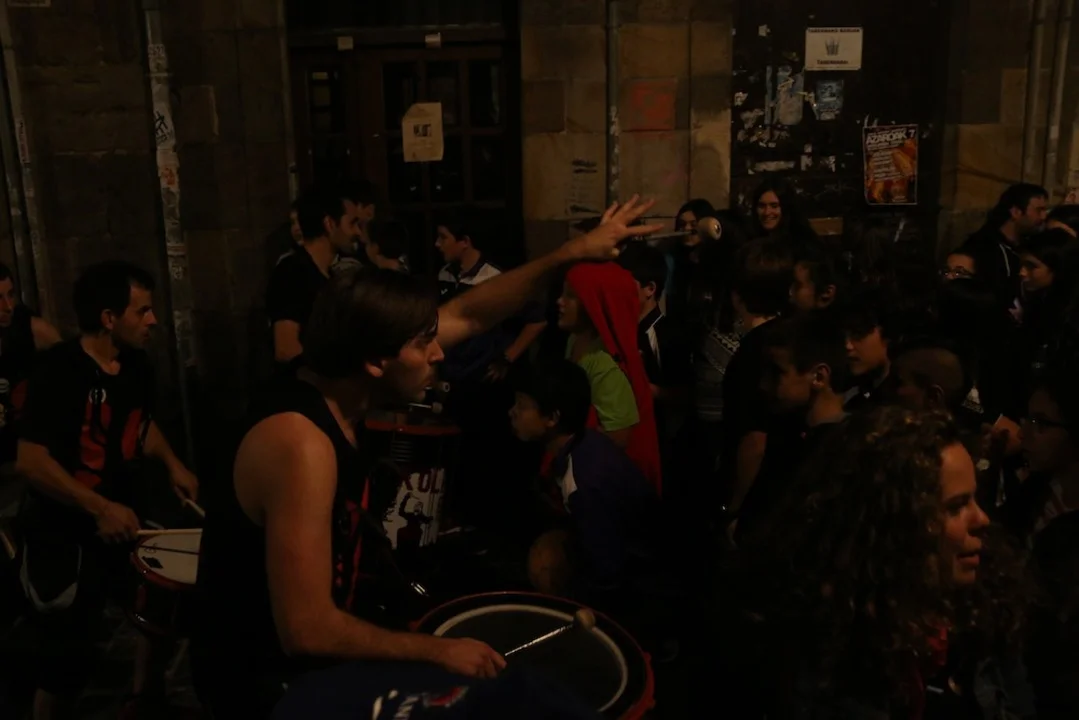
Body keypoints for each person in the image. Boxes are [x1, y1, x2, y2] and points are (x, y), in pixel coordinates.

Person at [191, 196, 663, 718]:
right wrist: (437, 650)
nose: (439, 354)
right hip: (264, 687)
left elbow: (470, 313)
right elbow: (306, 629)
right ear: (376, 361)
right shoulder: (300, 443)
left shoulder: (340, 370)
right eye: (424, 344)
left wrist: (569, 254)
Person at [720, 407, 1027, 718]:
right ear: (891, 522)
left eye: (974, 499)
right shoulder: (823, 660)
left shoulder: (983, 613)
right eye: (956, 507)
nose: (982, 519)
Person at [15, 261, 198, 720]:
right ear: (109, 317)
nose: (153, 320)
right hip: (65, 531)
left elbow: (140, 425)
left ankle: (143, 700)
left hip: (124, 518)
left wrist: (172, 463)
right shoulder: (59, 370)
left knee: (160, 609)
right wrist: (99, 508)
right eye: (142, 311)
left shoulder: (136, 365)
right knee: (67, 656)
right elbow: (31, 461)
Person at [509, 360, 656, 603]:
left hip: (643, 577)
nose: (512, 412)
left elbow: (608, 572)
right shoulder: (584, 442)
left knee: (545, 565)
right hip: (627, 555)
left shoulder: (583, 480)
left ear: (552, 417)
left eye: (522, 406)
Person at [734, 313, 848, 546]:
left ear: (819, 376)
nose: (763, 384)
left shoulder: (839, 452)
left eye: (777, 372)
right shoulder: (788, 431)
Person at [559, 262, 662, 494]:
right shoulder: (575, 340)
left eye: (570, 296)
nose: (560, 301)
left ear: (593, 303)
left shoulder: (604, 363)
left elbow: (619, 437)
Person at [266, 184, 361, 366]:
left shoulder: (328, 274)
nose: (358, 231)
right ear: (329, 224)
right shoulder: (293, 272)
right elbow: (286, 349)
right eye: (352, 223)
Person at [0, 262, 61, 470]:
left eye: (11, 295)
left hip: (30, 453)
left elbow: (74, 369)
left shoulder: (31, 328)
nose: (8, 306)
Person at [962, 182, 1048, 312]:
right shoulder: (984, 247)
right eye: (1039, 210)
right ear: (1016, 212)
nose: (1043, 216)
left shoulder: (1027, 246)